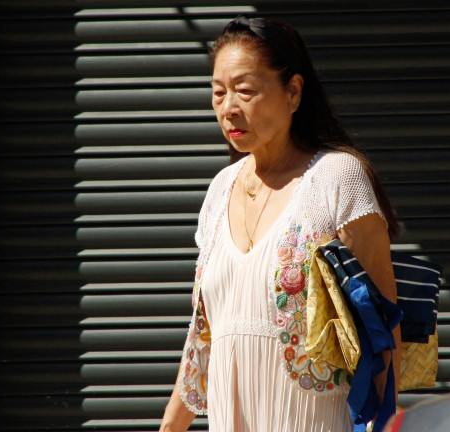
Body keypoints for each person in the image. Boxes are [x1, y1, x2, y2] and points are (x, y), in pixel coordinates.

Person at [159, 16, 401, 432]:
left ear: (293, 92)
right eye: (218, 92)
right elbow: (202, 342)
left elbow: (385, 336)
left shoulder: (337, 178)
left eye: (246, 91)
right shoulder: (220, 190)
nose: (228, 107)